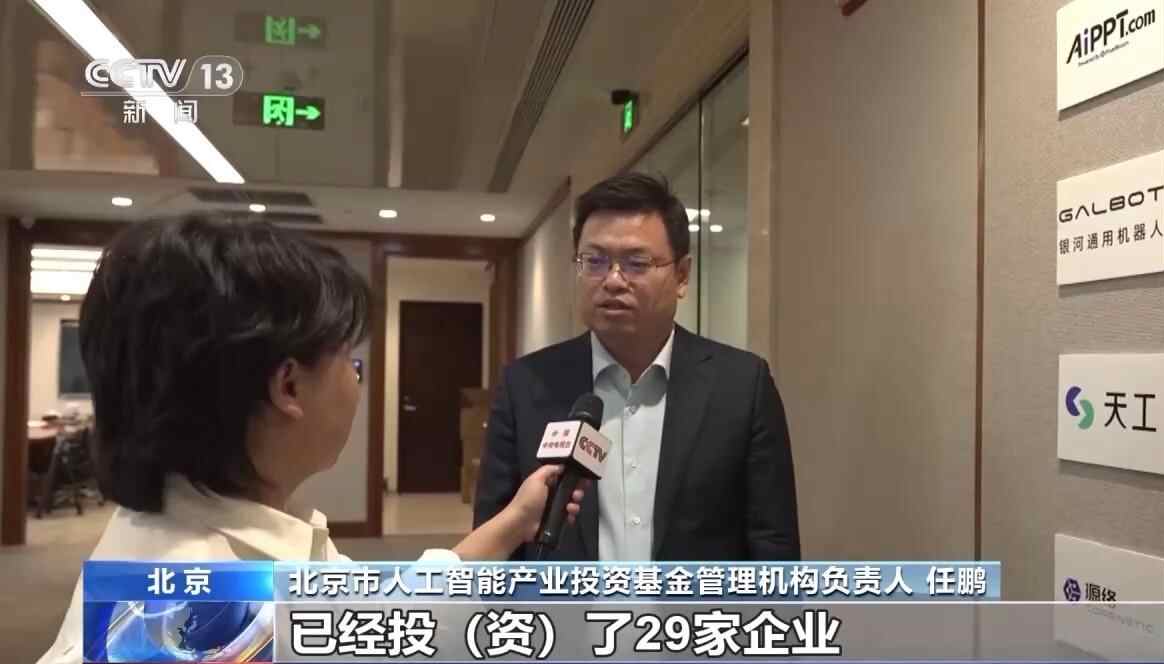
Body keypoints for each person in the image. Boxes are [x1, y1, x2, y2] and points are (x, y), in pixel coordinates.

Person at [37, 218, 584, 664]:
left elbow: (387, 612)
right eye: (349, 360)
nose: (356, 381)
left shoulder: (186, 534)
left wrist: (517, 519)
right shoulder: (206, 625)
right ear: (290, 386)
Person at [474, 173, 800, 561]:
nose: (613, 281)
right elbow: (494, 544)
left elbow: (774, 550)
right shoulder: (526, 384)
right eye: (594, 261)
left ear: (682, 275)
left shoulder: (742, 386)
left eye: (636, 263)